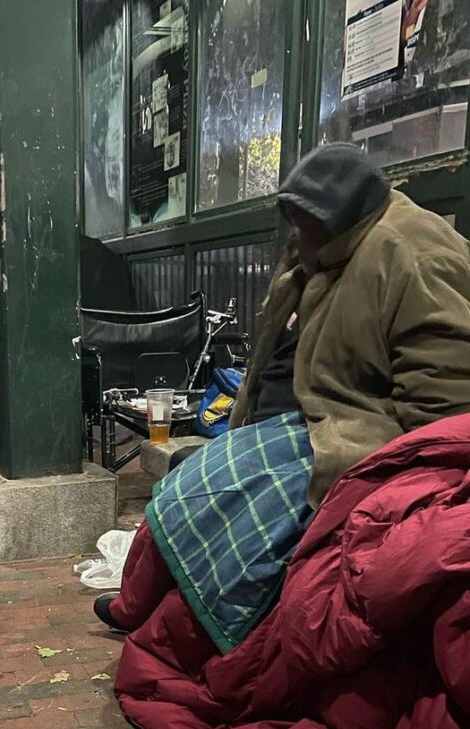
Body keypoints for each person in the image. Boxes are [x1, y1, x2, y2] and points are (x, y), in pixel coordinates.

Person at [97, 142, 470, 642]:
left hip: (351, 443)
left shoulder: (415, 259)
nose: (296, 234)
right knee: (182, 488)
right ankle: (139, 606)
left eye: (305, 222)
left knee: (217, 511)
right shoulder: (319, 248)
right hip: (294, 423)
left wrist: (384, 491)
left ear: (342, 219)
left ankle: (182, 629)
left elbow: (444, 412)